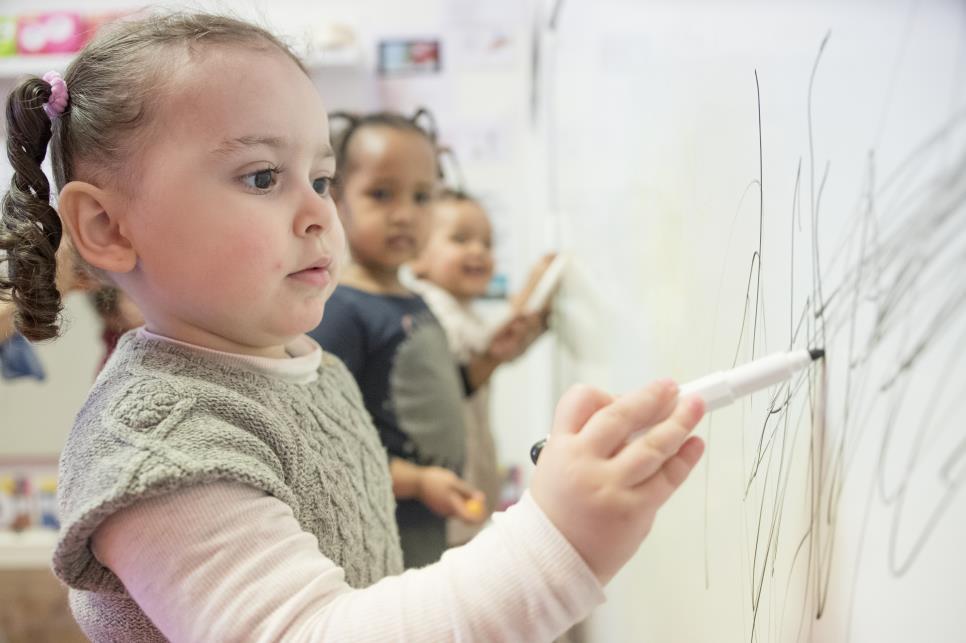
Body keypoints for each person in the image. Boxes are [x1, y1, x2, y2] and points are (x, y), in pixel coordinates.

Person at [0, 12, 705, 641]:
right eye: (261, 177)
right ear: (106, 225)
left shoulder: (308, 365)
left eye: (322, 178)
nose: (318, 213)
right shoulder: (159, 447)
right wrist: (558, 544)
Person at [307, 109, 545, 567]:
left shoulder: (415, 299)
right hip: (385, 525)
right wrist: (416, 481)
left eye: (421, 197)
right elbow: (325, 444)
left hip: (429, 518)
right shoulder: (340, 310)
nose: (404, 215)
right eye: (380, 194)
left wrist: (490, 360)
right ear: (335, 199)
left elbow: (434, 391)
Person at [408, 187, 554, 545]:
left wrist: (533, 325)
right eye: (460, 239)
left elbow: (495, 352)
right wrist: (525, 301)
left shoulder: (462, 309)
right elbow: (476, 351)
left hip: (471, 459)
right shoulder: (428, 304)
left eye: (487, 244)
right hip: (445, 481)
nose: (478, 251)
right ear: (416, 257)